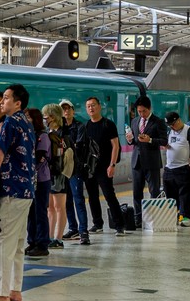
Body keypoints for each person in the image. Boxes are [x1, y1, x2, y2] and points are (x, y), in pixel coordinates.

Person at [0, 84, 36, 301]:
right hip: (26, 190)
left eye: (5, 98)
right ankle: (15, 290)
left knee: (1, 240)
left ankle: (2, 294)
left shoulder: (10, 122)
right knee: (18, 242)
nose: (1, 102)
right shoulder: (27, 123)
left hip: (11, 190)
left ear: (17, 103)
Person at [82, 96, 124, 234]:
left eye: (93, 105)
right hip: (90, 168)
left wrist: (112, 165)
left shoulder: (108, 124)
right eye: (88, 106)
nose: (91, 108)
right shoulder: (86, 126)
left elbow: (115, 146)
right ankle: (97, 223)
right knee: (92, 197)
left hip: (105, 167)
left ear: (99, 107)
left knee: (109, 195)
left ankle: (119, 225)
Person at [126, 96, 167, 228]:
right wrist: (130, 140)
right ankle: (138, 218)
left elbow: (164, 141)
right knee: (136, 192)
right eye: (139, 111)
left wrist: (150, 140)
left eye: (144, 111)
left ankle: (155, 218)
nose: (142, 114)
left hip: (152, 162)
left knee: (154, 191)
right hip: (137, 162)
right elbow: (134, 141)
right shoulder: (135, 121)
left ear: (149, 108)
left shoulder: (158, 122)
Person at [162, 111, 190, 227]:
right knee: (170, 195)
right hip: (169, 169)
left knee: (185, 195)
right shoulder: (169, 131)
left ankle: (185, 217)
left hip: (183, 168)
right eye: (169, 125)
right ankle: (174, 216)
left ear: (178, 120)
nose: (172, 127)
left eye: (173, 124)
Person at [60, 100, 89, 241]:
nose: (66, 111)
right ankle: (73, 229)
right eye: (63, 109)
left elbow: (78, 146)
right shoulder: (60, 127)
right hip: (62, 169)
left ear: (73, 110)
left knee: (78, 199)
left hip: (75, 168)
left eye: (68, 108)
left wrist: (66, 148)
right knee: (66, 200)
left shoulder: (79, 126)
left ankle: (83, 231)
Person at [25, 107, 52, 259]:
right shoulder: (28, 135)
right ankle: (32, 241)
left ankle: (42, 244)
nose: (26, 120)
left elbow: (40, 156)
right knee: (31, 212)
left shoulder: (43, 136)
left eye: (28, 117)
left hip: (41, 179)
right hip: (29, 180)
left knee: (40, 211)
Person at [43, 103, 69, 249]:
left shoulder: (63, 133)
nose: (44, 118)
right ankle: (50, 236)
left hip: (60, 174)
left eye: (46, 116)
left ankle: (58, 238)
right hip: (49, 173)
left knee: (59, 206)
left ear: (52, 117)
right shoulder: (47, 132)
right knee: (50, 207)